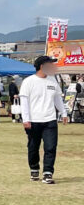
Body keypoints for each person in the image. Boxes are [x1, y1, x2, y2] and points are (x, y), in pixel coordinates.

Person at [20, 55, 67, 184]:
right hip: (33, 120)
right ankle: (34, 169)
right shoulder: (29, 81)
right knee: (33, 147)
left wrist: (64, 113)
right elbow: (24, 102)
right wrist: (26, 119)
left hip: (50, 120)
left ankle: (48, 173)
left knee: (51, 147)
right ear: (42, 66)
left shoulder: (53, 81)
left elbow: (57, 98)